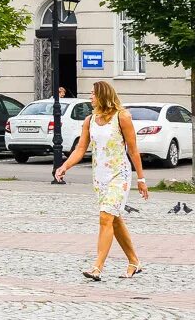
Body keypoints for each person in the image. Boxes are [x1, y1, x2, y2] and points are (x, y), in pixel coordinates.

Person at [55, 80, 149, 280]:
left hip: (119, 175)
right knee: (114, 220)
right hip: (100, 177)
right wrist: (64, 166)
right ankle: (134, 261)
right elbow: (81, 149)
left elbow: (133, 150)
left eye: (93, 94)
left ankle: (97, 267)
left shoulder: (122, 117)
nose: (90, 97)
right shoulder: (90, 120)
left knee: (106, 217)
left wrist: (140, 178)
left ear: (103, 95)